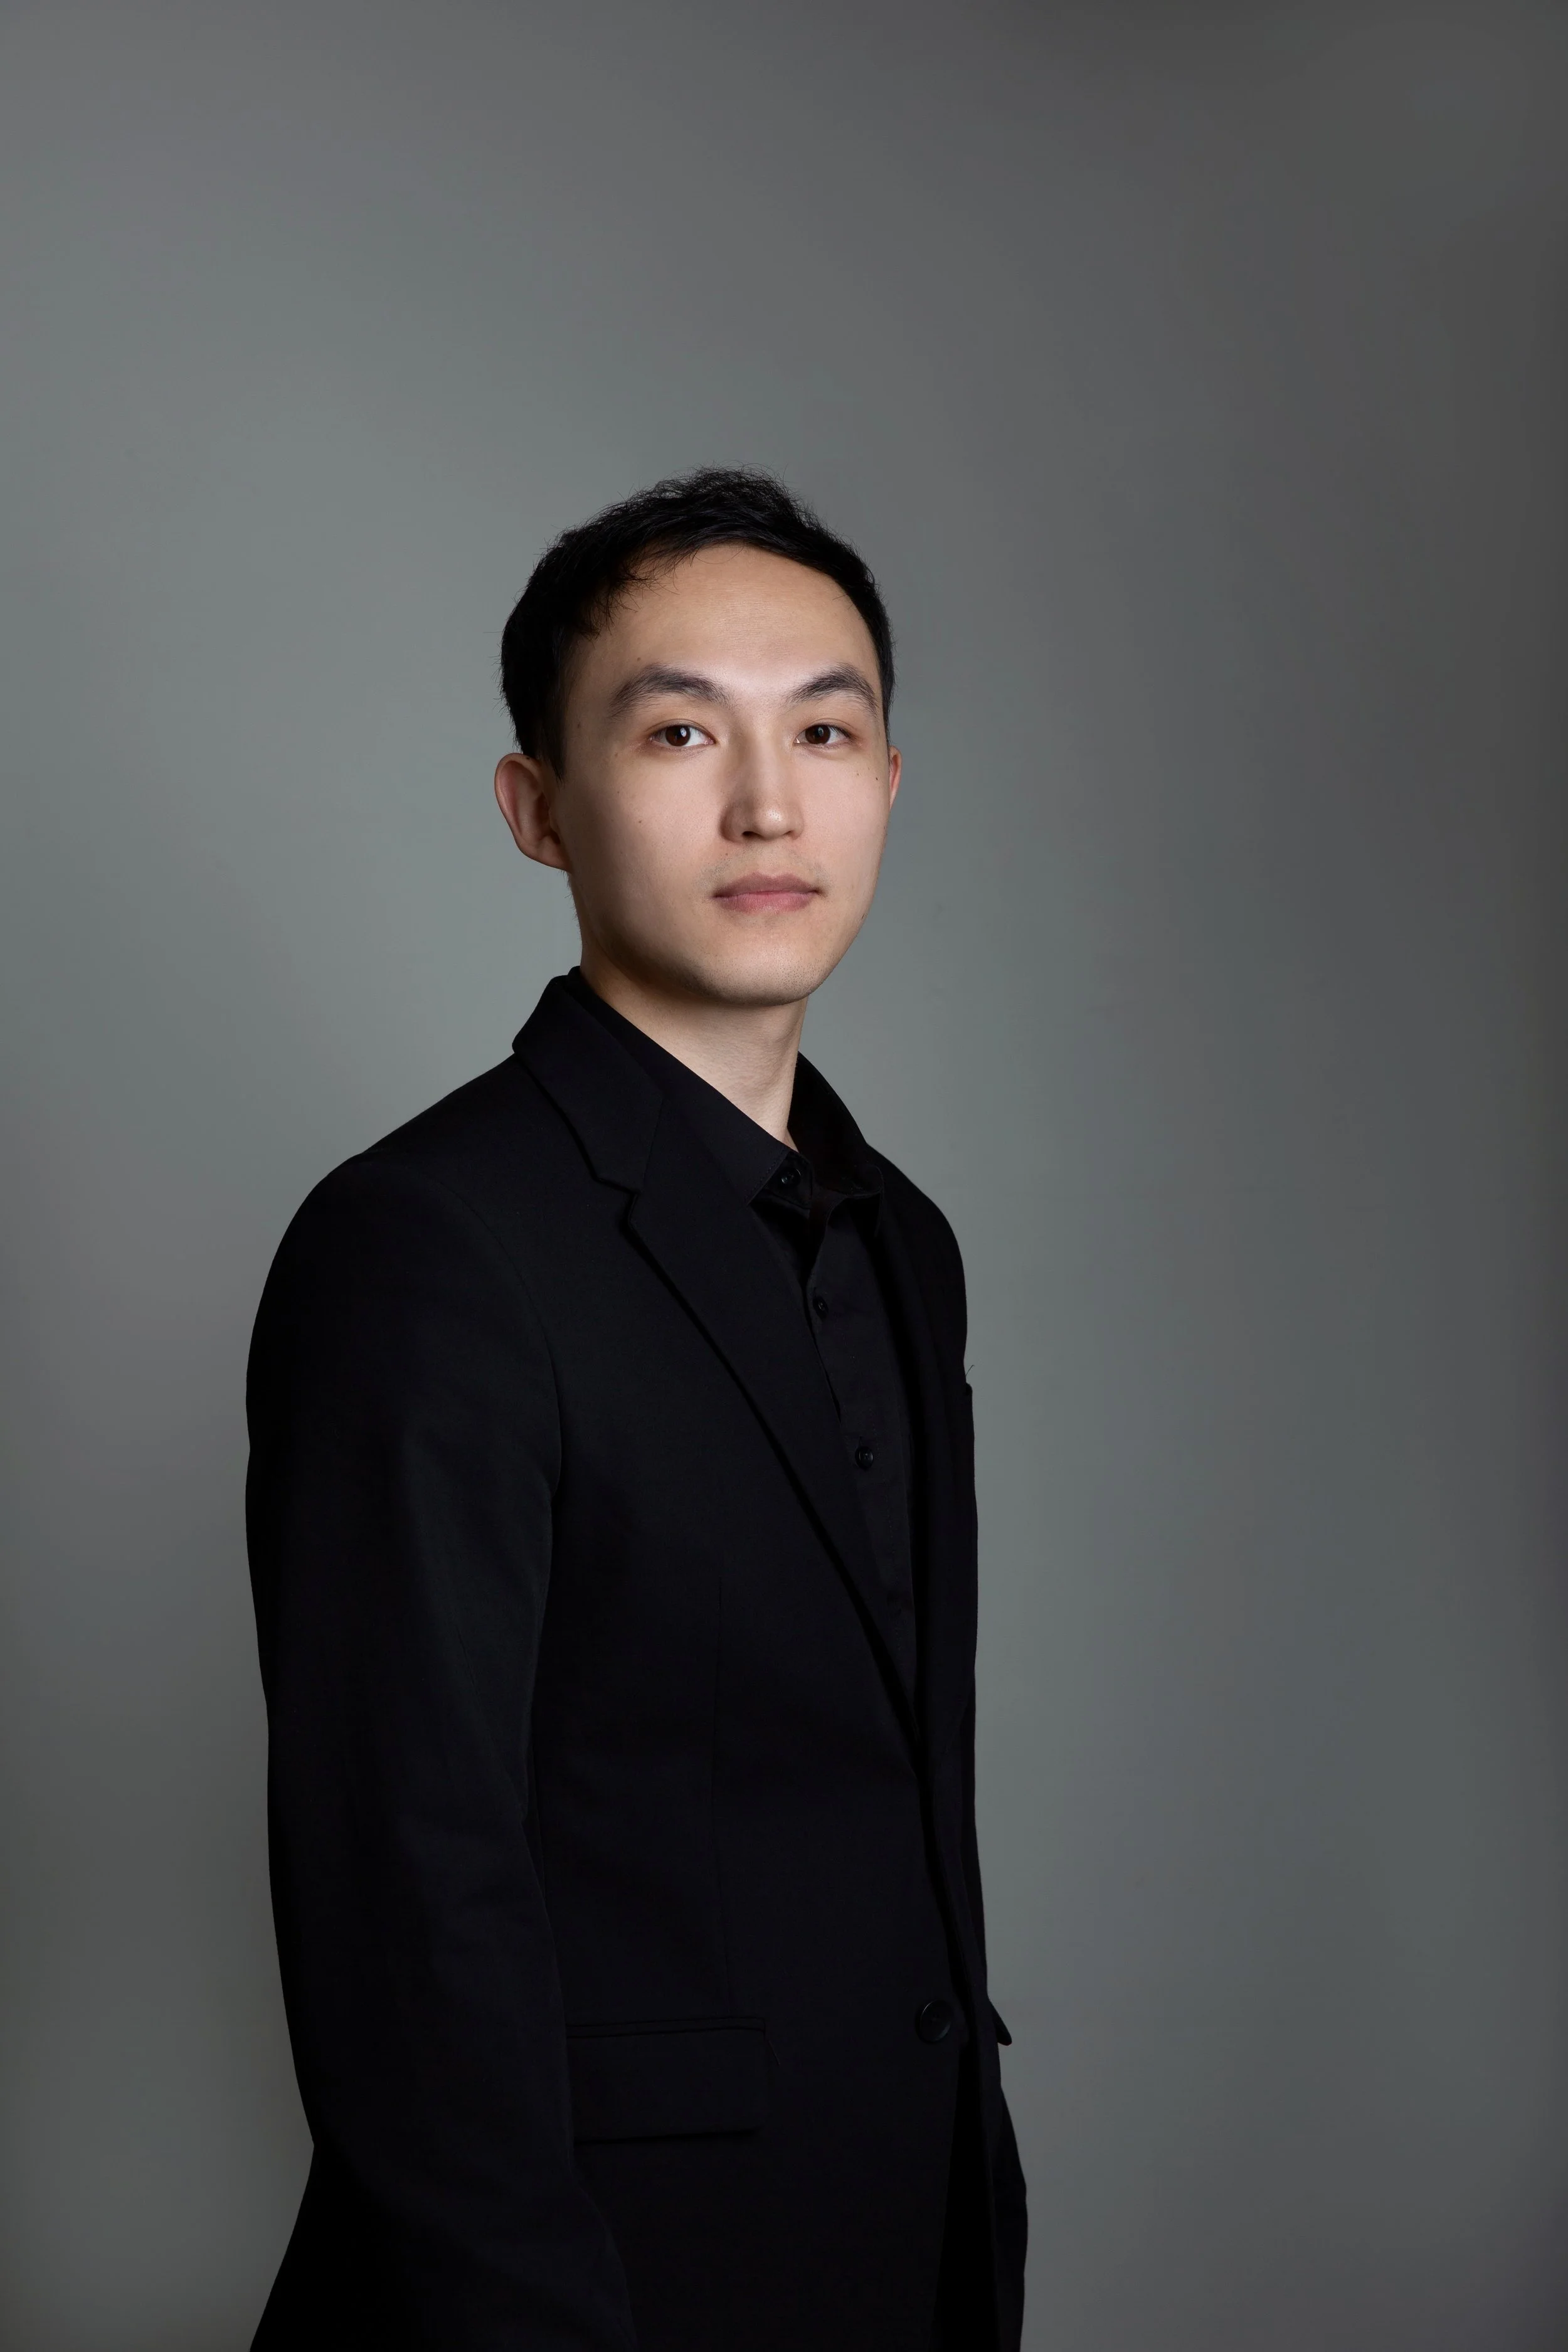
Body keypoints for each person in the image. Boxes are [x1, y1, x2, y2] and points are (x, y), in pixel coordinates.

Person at [245, 468, 1027, 2351]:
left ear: (889, 785)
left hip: (891, 2243)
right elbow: (404, 1898)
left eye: (824, 730)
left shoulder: (901, 1237)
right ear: (538, 809)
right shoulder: (424, 1240)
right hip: (577, 2286)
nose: (769, 802)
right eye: (680, 729)